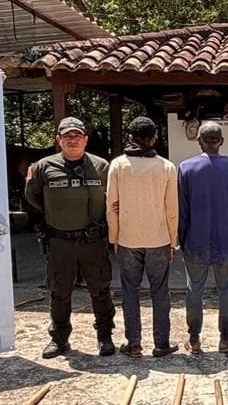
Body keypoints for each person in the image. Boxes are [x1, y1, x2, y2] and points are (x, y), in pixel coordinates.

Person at [25, 117, 116, 359]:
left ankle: (105, 336)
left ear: (85, 139)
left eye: (77, 136)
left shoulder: (101, 167)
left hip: (92, 241)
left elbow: (111, 200)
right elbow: (33, 198)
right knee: (59, 291)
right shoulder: (43, 167)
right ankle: (59, 339)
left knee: (100, 289)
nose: (72, 140)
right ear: (59, 140)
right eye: (67, 136)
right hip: (60, 241)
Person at [107, 117, 180, 358]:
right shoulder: (167, 167)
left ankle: (134, 343)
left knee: (130, 291)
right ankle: (161, 343)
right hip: (158, 238)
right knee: (160, 291)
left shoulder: (117, 166)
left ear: (130, 137)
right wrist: (172, 240)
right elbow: (172, 209)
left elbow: (111, 205)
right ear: (154, 138)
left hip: (128, 238)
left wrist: (114, 236)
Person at [177, 122, 228, 354]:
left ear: (199, 141)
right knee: (226, 289)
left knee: (194, 289)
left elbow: (183, 209)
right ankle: (225, 337)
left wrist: (181, 238)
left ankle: (194, 338)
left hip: (195, 240)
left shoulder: (186, 168)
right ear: (222, 141)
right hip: (227, 239)